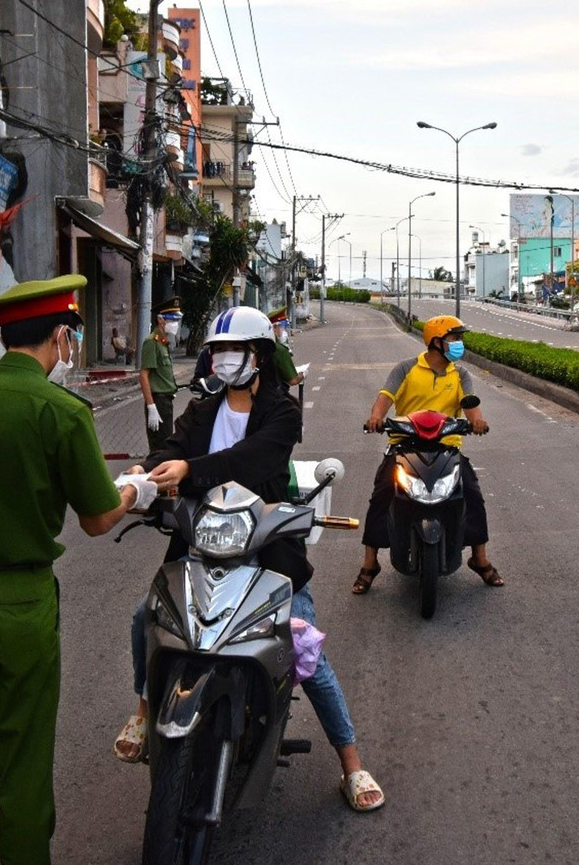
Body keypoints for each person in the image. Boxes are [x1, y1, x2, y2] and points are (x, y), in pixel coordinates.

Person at [0, 274, 158, 865]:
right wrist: (135, 490)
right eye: (68, 338)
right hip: (19, 602)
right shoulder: (62, 411)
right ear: (61, 338)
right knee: (22, 759)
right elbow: (98, 518)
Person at [113, 305, 386, 813]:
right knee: (145, 618)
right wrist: (142, 471)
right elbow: (171, 448)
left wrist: (188, 470)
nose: (221, 360)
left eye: (232, 351)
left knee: (304, 648)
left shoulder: (283, 412)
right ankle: (143, 708)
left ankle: (350, 762)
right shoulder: (203, 408)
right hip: (201, 541)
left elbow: (254, 459)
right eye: (216, 352)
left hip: (268, 546)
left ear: (258, 354)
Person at [353, 315, 501, 594]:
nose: (459, 344)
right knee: (382, 493)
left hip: (447, 447)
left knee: (471, 493)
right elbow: (385, 398)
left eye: (459, 339)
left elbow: (471, 407)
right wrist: (375, 417)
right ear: (436, 341)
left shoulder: (461, 374)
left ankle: (479, 558)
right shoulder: (406, 368)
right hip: (405, 445)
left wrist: (478, 421)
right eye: (454, 338)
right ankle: (370, 564)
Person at [140, 297, 183, 454]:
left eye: (177, 319)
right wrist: (151, 406)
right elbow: (144, 375)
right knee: (160, 447)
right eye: (172, 319)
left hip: (166, 400)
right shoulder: (151, 342)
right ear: (160, 320)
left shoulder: (163, 342)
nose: (175, 323)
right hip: (158, 401)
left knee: (165, 443)